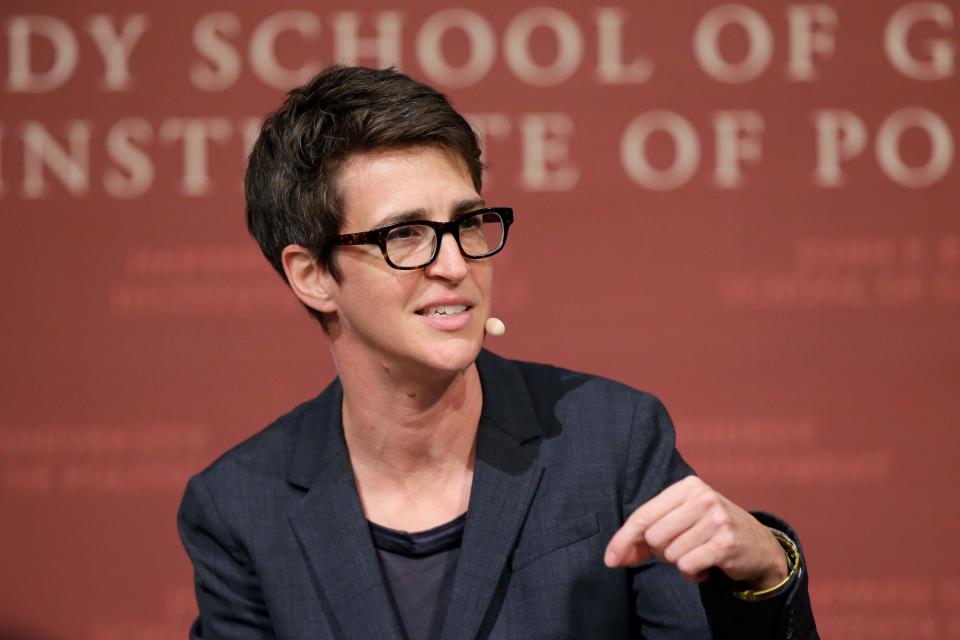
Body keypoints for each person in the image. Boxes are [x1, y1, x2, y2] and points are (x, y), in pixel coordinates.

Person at [178, 65, 819, 640]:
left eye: (467, 224)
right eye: (406, 235)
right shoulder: (240, 508)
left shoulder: (611, 441)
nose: (456, 264)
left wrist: (766, 573)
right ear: (312, 275)